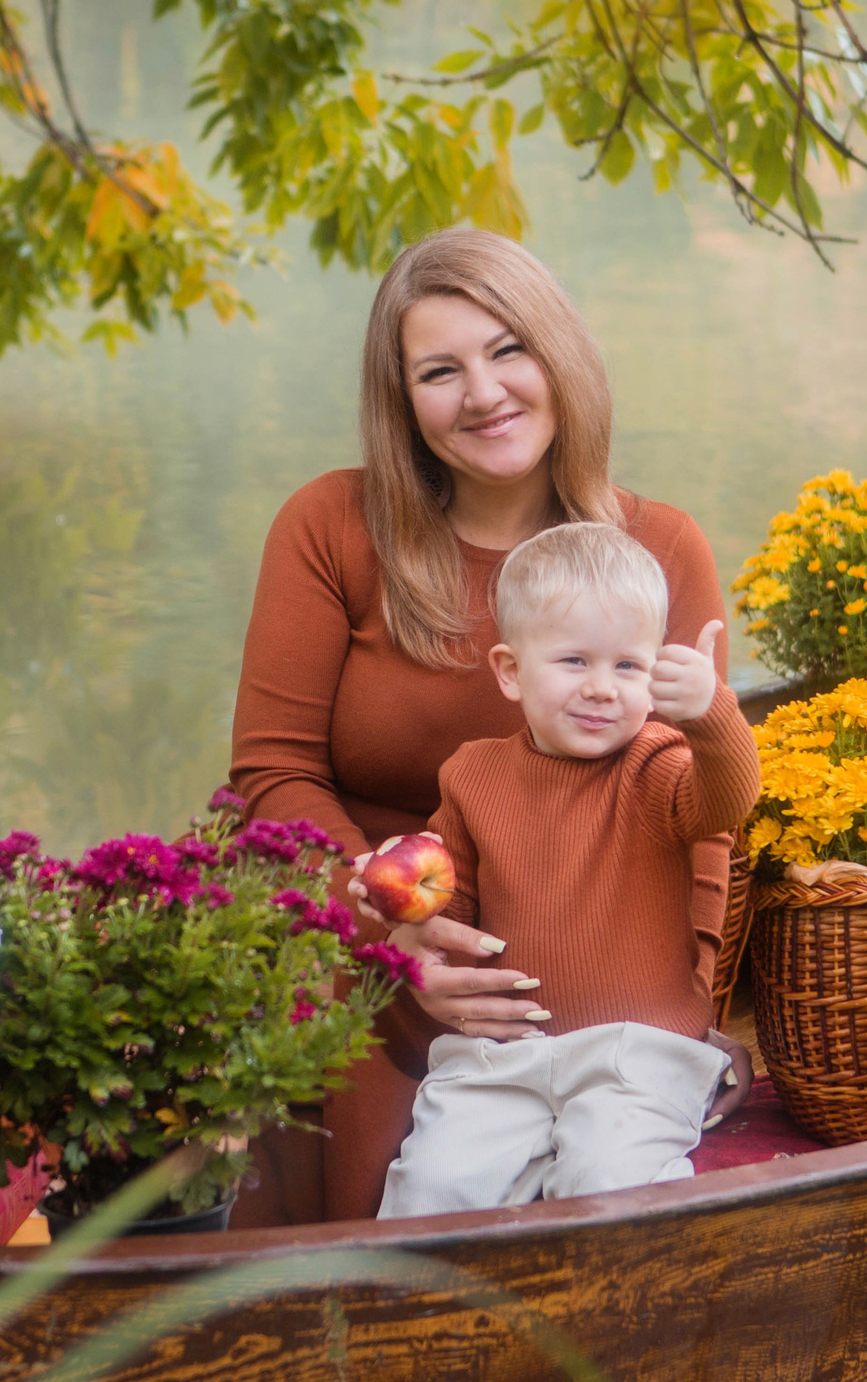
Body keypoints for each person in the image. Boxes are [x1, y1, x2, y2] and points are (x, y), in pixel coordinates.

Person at [227, 225, 742, 1222]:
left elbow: (700, 812)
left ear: (559, 356)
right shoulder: (331, 526)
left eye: (508, 348)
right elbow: (273, 775)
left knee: (610, 1165)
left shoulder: (656, 547)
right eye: (439, 369)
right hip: (368, 932)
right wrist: (391, 937)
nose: (483, 391)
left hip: (591, 958)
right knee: (397, 1193)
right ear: (403, 402)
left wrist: (686, 1008)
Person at [372, 523, 757, 1216]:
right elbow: (446, 911)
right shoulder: (473, 775)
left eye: (629, 667)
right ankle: (424, 1318)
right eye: (575, 662)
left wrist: (711, 714)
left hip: (635, 1052)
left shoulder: (660, 766)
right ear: (511, 671)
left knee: (613, 1183)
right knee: (432, 1184)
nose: (603, 689)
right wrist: (400, 899)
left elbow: (728, 798)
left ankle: (618, 1319)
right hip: (502, 1054)